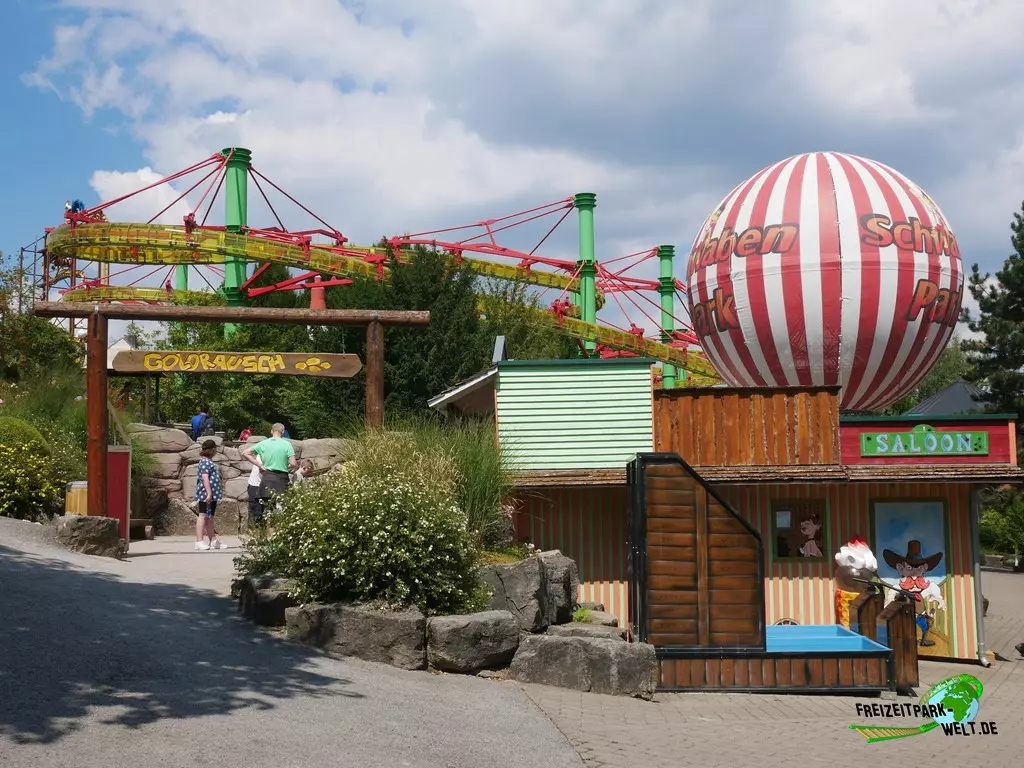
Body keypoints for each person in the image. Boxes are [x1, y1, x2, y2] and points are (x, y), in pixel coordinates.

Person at [242, 423, 297, 513]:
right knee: (280, 510)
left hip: (267, 478)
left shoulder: (263, 443)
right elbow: (293, 463)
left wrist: (260, 465)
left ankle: (266, 526)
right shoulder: (287, 444)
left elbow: (245, 453)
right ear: (283, 432)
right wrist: (287, 466)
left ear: (271, 431)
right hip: (281, 479)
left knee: (266, 510)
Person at [194, 439, 227, 551]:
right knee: (203, 515)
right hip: (205, 494)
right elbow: (204, 478)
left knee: (210, 517)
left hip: (212, 495)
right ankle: (199, 541)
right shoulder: (204, 462)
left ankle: (213, 540)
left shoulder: (208, 461)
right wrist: (209, 493)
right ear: (212, 449)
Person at [246, 461, 263, 529]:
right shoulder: (262, 452)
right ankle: (254, 531)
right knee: (255, 511)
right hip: (255, 484)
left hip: (260, 484)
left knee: (259, 510)